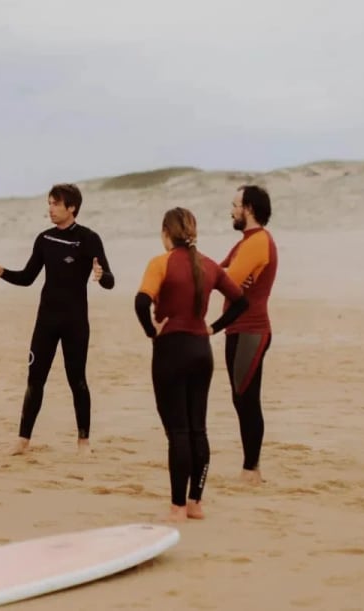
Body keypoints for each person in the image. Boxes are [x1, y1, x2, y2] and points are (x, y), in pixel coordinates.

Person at [0, 183, 114, 456]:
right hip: (46, 322)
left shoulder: (89, 239)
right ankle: (23, 441)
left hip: (75, 322)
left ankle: (83, 442)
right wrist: (3, 272)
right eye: (49, 203)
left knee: (77, 380)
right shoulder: (44, 239)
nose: (50, 209)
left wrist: (101, 277)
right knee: (35, 380)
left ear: (71, 207)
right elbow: (28, 277)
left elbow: (109, 280)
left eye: (55, 204)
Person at [134, 207, 249, 522]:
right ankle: (195, 502)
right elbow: (241, 301)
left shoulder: (161, 263)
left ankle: (177, 507)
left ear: (165, 233)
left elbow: (141, 302)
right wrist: (213, 328)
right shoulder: (209, 265)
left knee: (178, 432)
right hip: (201, 351)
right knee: (198, 428)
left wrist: (151, 331)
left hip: (170, 350)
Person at [219, 185, 278, 486]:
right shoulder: (245, 242)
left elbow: (228, 280)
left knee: (247, 399)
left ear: (249, 209)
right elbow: (218, 271)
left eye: (235, 205)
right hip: (239, 329)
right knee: (241, 398)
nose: (231, 211)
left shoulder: (258, 242)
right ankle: (252, 468)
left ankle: (251, 470)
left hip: (251, 330)